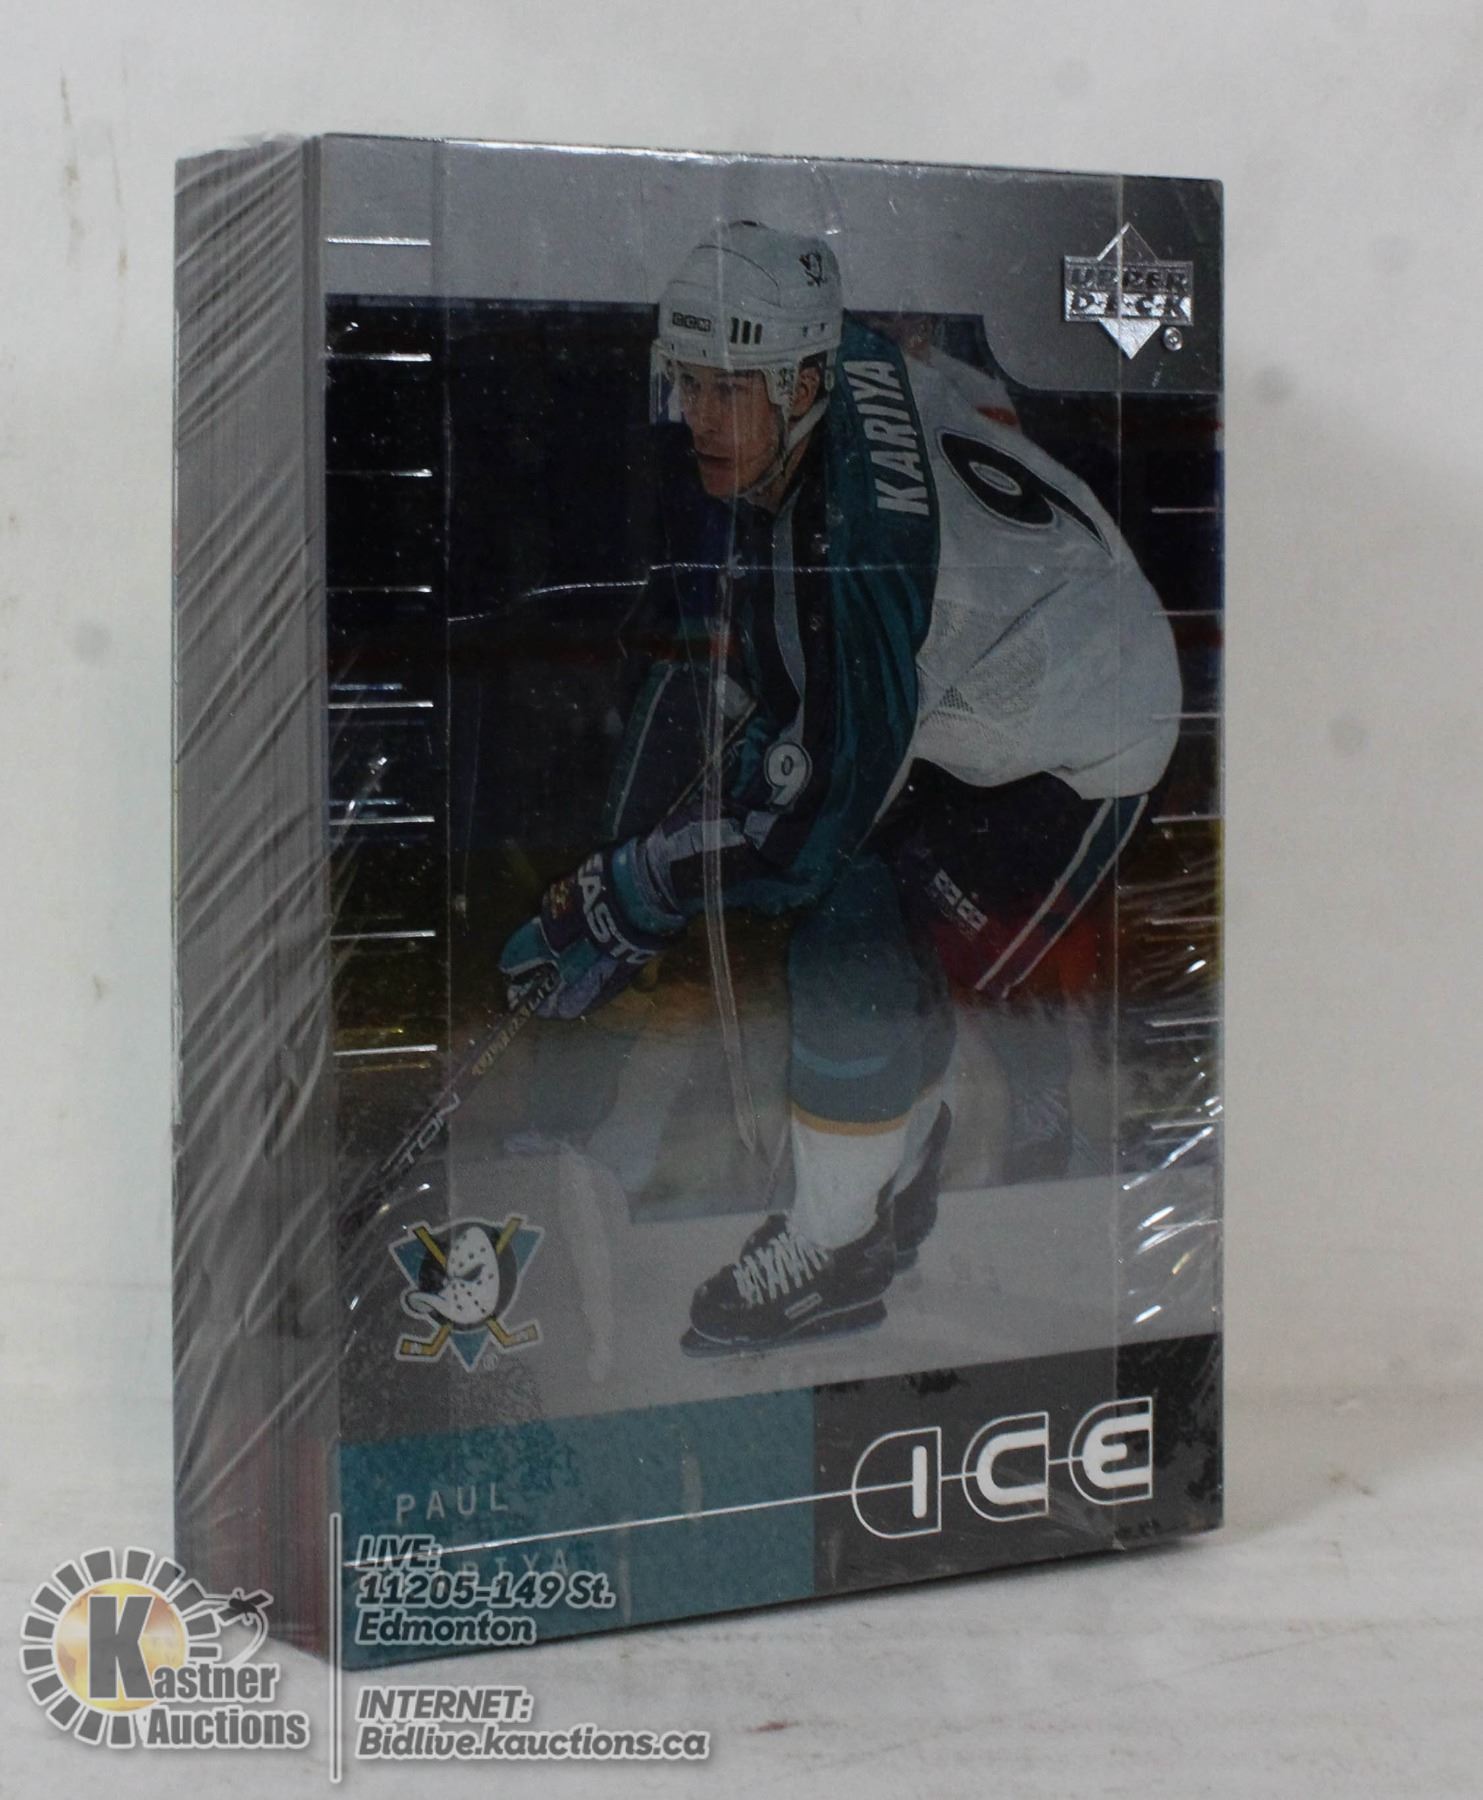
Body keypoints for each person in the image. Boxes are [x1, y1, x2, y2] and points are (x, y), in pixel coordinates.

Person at [500, 221, 1180, 1356]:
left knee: (846, 939)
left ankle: (835, 1244)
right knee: (871, 935)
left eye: (730, 391)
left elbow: (802, 837)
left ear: (802, 385)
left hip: (1076, 753)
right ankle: (882, 1178)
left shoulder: (852, 559)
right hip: (989, 680)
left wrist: (627, 895)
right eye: (689, 383)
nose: (700, 419)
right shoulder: (837, 361)